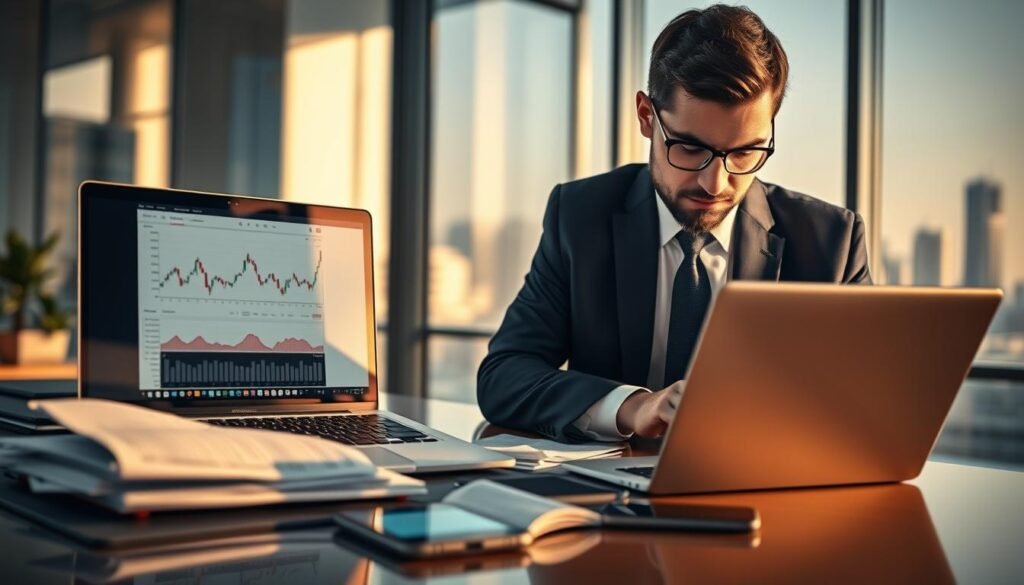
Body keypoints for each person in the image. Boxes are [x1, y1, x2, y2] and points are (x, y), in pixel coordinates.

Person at [477, 4, 871, 443]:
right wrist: (632, 407)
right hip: (611, 480)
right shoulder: (580, 216)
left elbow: (868, 400)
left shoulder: (832, 242)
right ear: (647, 117)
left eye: (745, 152)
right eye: (689, 147)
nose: (715, 183)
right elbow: (504, 376)